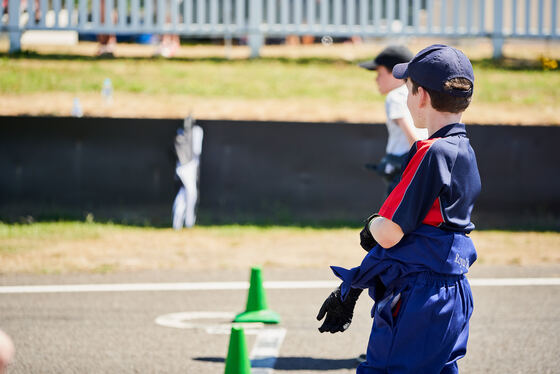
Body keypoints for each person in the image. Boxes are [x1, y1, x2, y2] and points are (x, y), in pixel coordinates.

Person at [316, 44, 481, 374]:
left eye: (409, 89)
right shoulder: (465, 150)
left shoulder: (430, 152)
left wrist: (372, 223)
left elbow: (390, 234)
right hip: (455, 292)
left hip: (420, 296)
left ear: (421, 96)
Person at [359, 45, 428, 195]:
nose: (376, 79)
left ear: (395, 73)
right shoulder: (418, 92)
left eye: (379, 73)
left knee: (391, 217)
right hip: (418, 163)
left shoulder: (395, 97)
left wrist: (419, 163)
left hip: (404, 167)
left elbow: (412, 136)